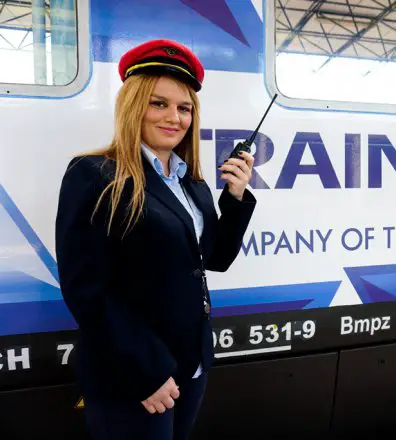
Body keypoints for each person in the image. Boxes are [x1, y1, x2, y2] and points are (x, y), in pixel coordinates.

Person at [54, 39, 256, 440]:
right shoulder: (95, 174)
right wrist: (146, 371)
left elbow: (214, 259)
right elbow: (87, 289)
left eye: (184, 108)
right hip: (133, 373)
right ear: (133, 107)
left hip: (190, 365)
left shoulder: (191, 182)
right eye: (158, 103)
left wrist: (234, 200)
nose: (174, 118)